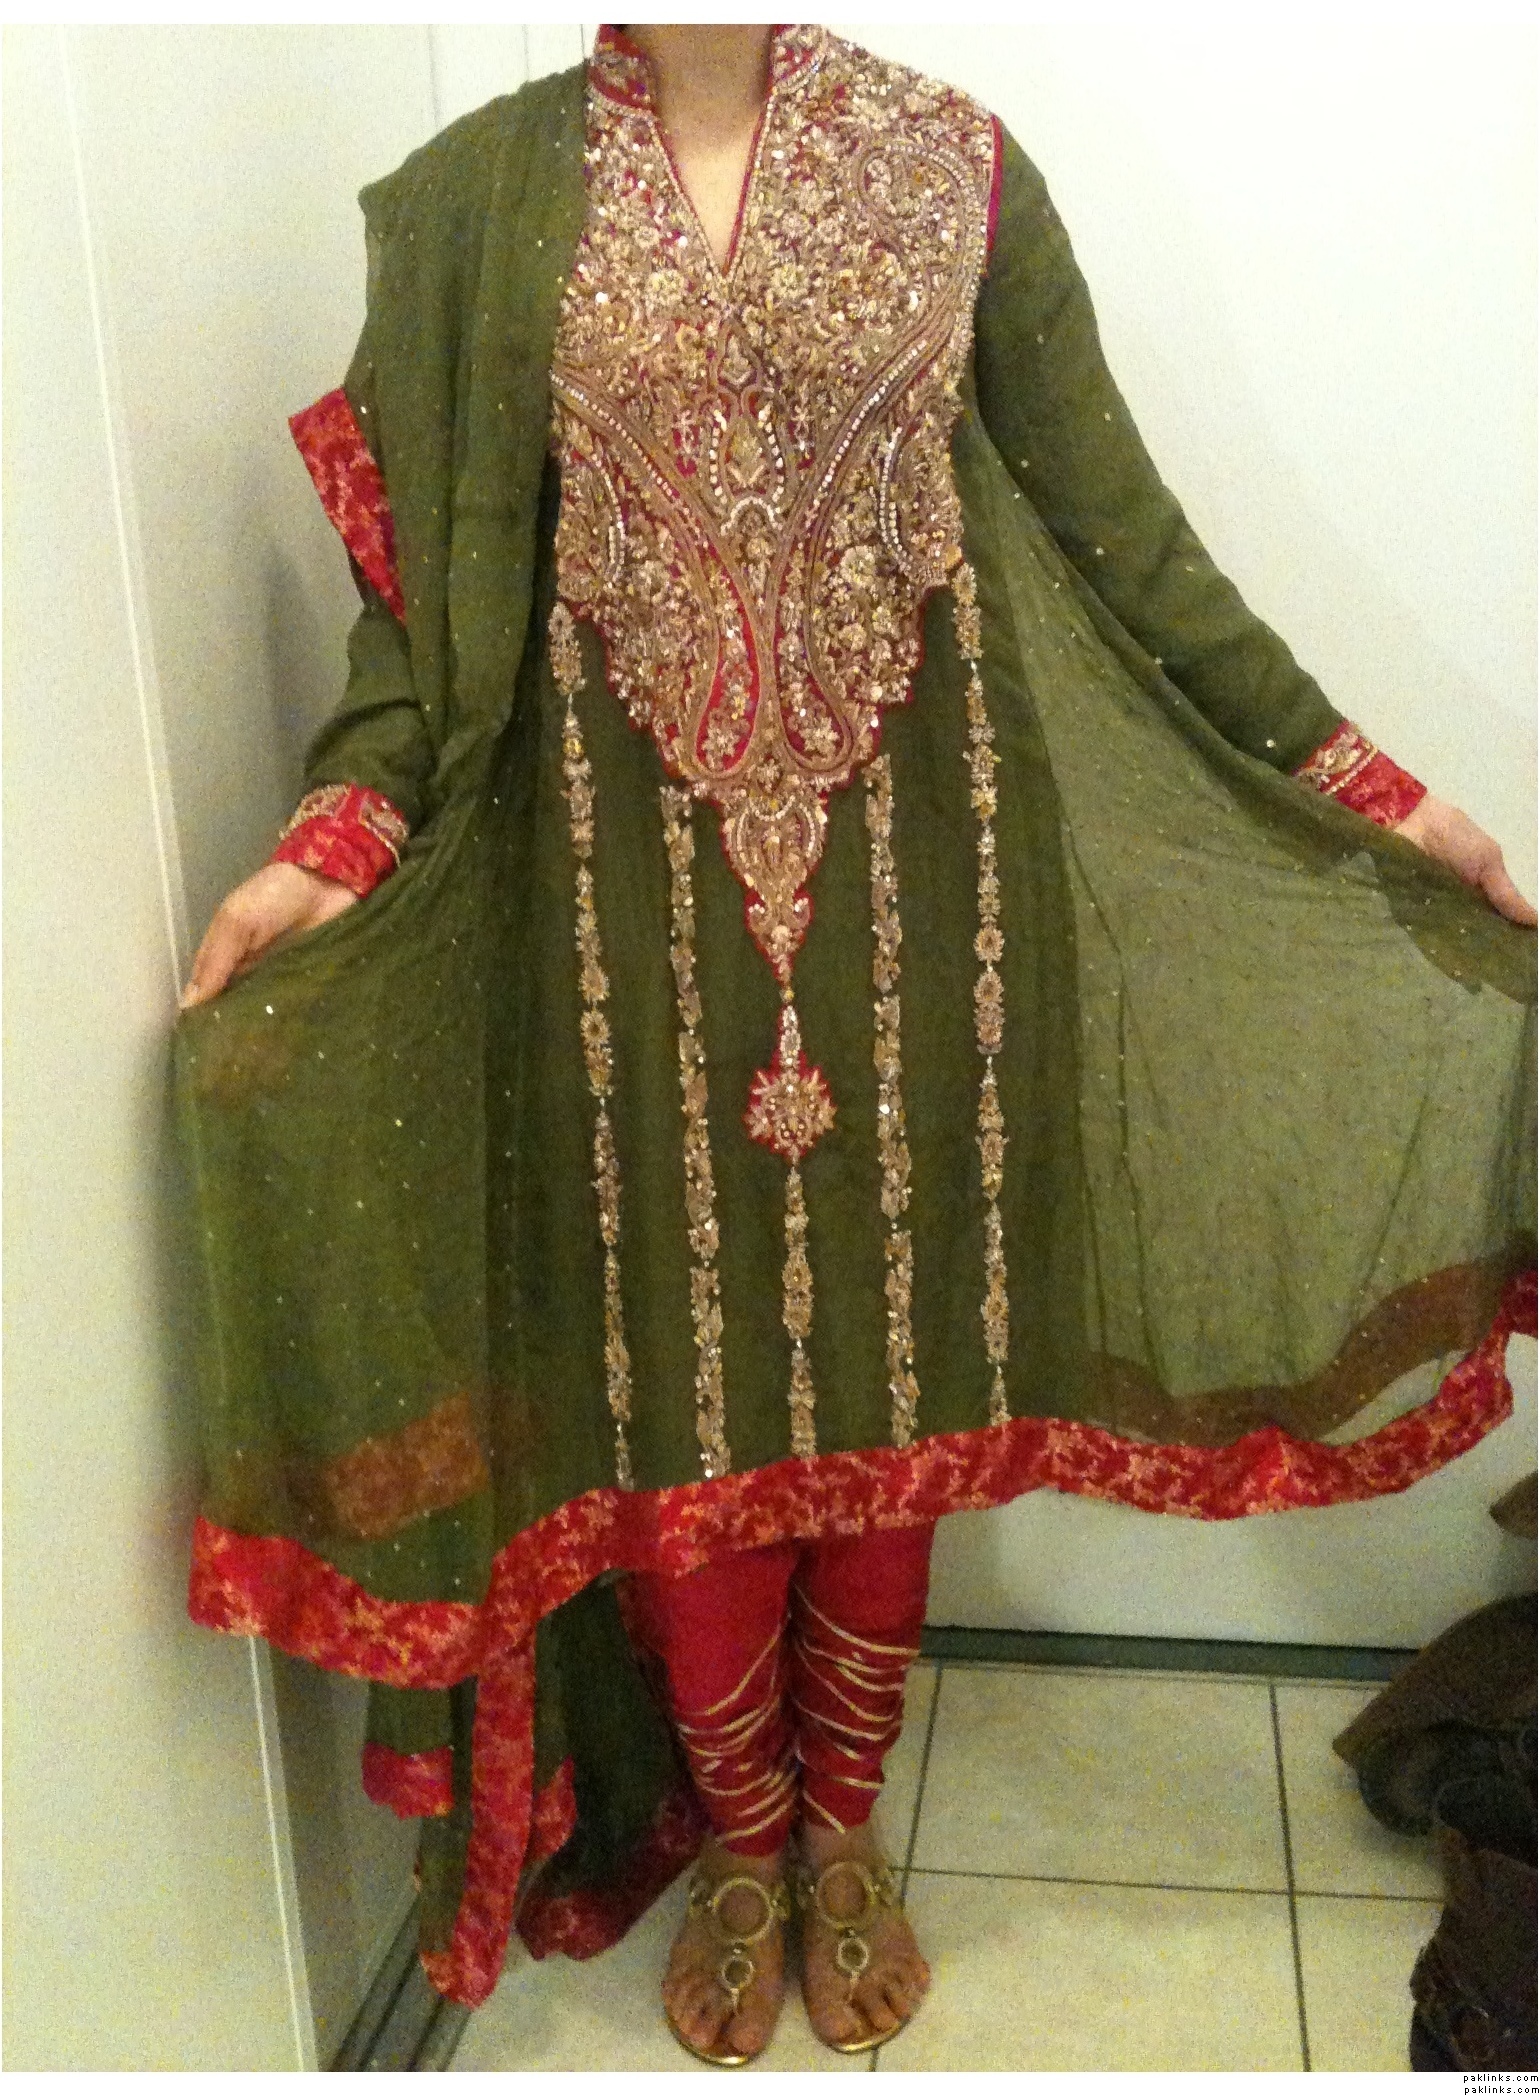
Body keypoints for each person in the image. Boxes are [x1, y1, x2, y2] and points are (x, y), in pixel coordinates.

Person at [178, 24, 1536, 2066]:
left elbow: (1124, 539)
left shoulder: (953, 166)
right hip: (612, 915)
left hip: (934, 893)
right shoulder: (477, 203)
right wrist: (333, 841)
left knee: (900, 1366)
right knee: (686, 1380)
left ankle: (839, 1834)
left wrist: (1373, 794)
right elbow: (424, 619)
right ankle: (741, 1844)